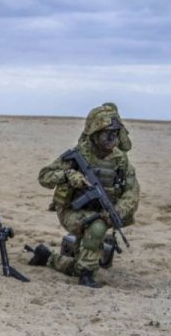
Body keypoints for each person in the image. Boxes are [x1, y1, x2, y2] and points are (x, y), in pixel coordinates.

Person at [25, 104, 140, 288]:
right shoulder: (79, 154)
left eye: (115, 133)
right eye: (107, 133)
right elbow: (44, 177)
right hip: (71, 211)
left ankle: (47, 257)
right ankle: (86, 276)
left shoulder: (120, 160)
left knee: (93, 238)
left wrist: (118, 211)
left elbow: (132, 191)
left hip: (102, 212)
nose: (112, 138)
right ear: (95, 133)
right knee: (97, 227)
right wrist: (67, 175)